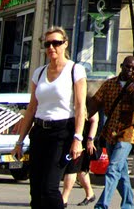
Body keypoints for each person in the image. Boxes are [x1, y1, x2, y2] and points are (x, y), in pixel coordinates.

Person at [13, 27, 87, 209]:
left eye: (56, 43)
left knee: (50, 188)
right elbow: (31, 108)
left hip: (62, 132)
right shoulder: (39, 72)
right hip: (39, 132)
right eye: (48, 44)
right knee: (36, 190)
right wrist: (20, 141)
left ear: (65, 44)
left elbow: (79, 107)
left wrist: (78, 138)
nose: (51, 47)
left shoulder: (75, 70)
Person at [89, 56, 134, 209]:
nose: (131, 70)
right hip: (111, 132)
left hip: (128, 133)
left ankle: (102, 205)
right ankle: (128, 204)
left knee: (113, 168)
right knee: (121, 172)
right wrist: (81, 120)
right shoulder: (109, 85)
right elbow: (95, 103)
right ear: (121, 66)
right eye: (128, 67)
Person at [62, 110, 98, 206]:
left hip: (80, 141)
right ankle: (90, 194)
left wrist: (90, 140)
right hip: (68, 138)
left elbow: (95, 119)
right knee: (81, 169)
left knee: (72, 168)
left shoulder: (86, 100)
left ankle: (64, 198)